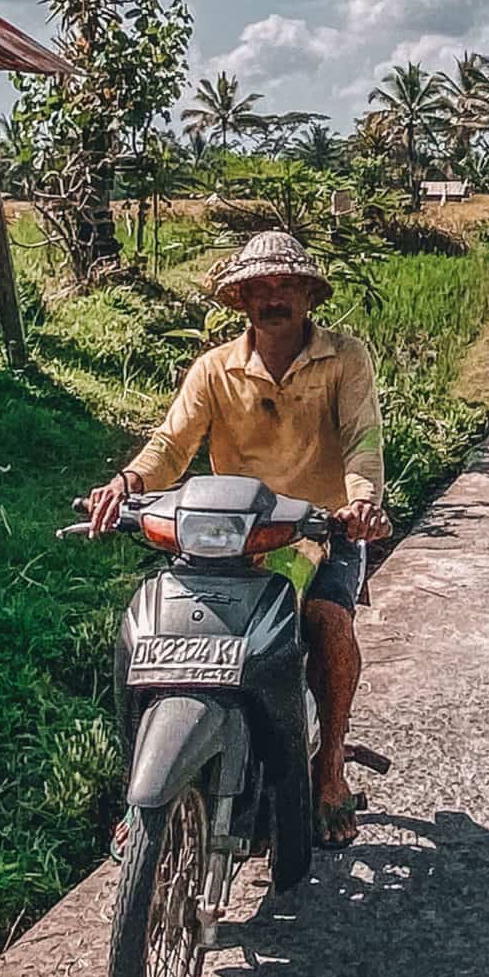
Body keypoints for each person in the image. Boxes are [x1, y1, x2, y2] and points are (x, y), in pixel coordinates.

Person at [82, 232, 388, 846]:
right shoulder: (214, 369)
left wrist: (360, 503)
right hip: (234, 534)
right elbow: (172, 443)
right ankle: (140, 790)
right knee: (160, 632)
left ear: (307, 294)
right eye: (260, 288)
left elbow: (362, 439)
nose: (273, 298)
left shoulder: (345, 358)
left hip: (322, 528)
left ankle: (328, 773)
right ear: (242, 299)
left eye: (285, 286)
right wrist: (126, 481)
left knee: (328, 620)